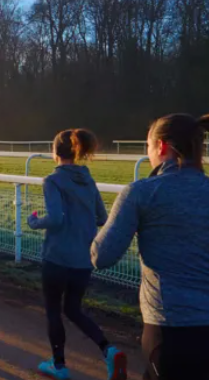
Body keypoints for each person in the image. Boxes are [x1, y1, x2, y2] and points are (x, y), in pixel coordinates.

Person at [92, 113, 209, 380]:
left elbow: (101, 256)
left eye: (148, 146)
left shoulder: (141, 192)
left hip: (169, 330)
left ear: (162, 147)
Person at [28, 129, 126, 380]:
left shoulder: (52, 180)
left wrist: (34, 222)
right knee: (73, 309)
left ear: (55, 152)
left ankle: (59, 365)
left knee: (53, 309)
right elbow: (103, 218)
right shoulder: (88, 180)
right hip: (83, 259)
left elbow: (57, 218)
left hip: (57, 257)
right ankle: (108, 349)